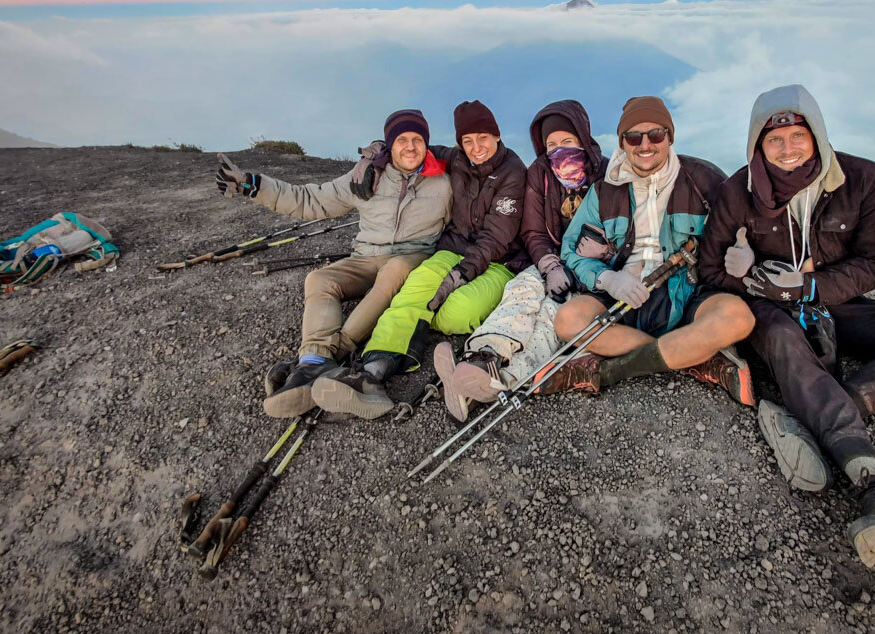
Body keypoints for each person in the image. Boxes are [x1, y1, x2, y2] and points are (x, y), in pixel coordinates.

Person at [697, 83, 875, 569]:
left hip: (832, 301)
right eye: (773, 140)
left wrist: (809, 288)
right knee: (780, 337)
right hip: (767, 310)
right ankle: (874, 480)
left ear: (817, 135)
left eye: (798, 136)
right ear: (757, 144)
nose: (786, 149)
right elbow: (709, 271)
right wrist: (756, 280)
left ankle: (815, 411)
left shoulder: (861, 179)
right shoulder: (737, 191)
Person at [214, 109, 451, 418]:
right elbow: (311, 199)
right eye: (402, 139)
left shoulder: (443, 182)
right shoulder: (366, 176)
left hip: (413, 256)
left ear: (427, 144)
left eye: (418, 139)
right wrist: (254, 184)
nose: (410, 146)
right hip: (365, 257)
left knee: (396, 271)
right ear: (390, 144)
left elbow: (476, 161)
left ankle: (333, 355)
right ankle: (314, 361)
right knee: (319, 280)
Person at [315, 100, 528, 418]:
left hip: (500, 260)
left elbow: (495, 238)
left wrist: (459, 276)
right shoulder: (454, 158)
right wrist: (373, 156)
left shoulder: (514, 171)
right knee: (414, 289)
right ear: (459, 144)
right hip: (452, 248)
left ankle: (417, 326)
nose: (476, 147)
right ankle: (372, 372)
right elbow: (410, 150)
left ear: (497, 136)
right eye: (467, 141)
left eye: (483, 137)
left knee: (458, 312)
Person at [546, 96, 754, 398]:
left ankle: (614, 366)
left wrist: (747, 252)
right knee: (568, 320)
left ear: (669, 137)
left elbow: (744, 227)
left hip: (689, 293)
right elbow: (571, 251)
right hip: (623, 297)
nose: (645, 145)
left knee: (737, 317)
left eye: (656, 134)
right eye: (633, 136)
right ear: (622, 142)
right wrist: (609, 280)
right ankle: (692, 355)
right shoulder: (603, 191)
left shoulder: (704, 180)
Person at [433, 100, 607, 420]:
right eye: (551, 144)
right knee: (521, 291)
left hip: (592, 271)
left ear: (583, 137)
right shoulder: (540, 172)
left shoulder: (607, 174)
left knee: (549, 317)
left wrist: (606, 252)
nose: (558, 150)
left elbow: (625, 229)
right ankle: (482, 358)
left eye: (566, 142)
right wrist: (549, 265)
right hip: (548, 262)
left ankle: (497, 381)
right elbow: (533, 230)